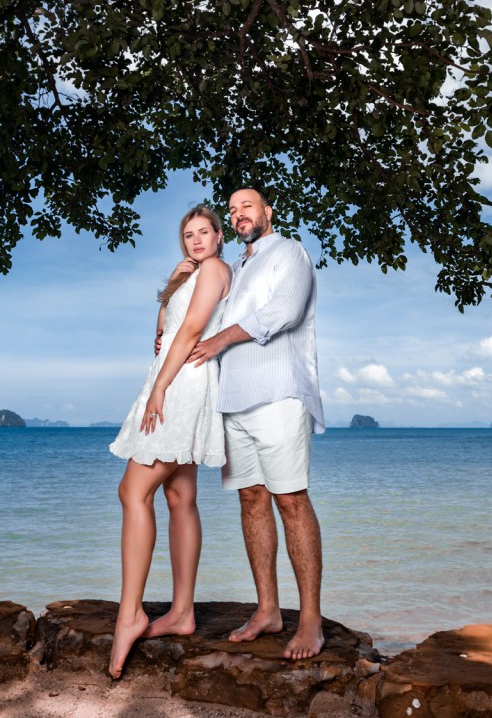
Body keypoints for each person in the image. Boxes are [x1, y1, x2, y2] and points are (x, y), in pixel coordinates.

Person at [188, 186, 326, 661]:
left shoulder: (290, 251)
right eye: (232, 209)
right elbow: (202, 319)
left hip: (279, 394)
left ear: (268, 211)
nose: (239, 213)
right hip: (234, 399)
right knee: (251, 500)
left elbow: (283, 313)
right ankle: (268, 609)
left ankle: (309, 621)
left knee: (290, 500)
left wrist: (221, 339)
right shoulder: (238, 267)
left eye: (247, 205)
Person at [106, 205, 232, 679]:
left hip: (181, 384)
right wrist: (170, 287)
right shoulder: (194, 274)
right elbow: (161, 334)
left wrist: (160, 387)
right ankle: (181, 613)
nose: (196, 241)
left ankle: (131, 614)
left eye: (204, 232)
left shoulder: (218, 268)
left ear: (219, 237)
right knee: (180, 496)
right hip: (179, 378)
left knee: (132, 491)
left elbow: (193, 330)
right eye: (188, 235)